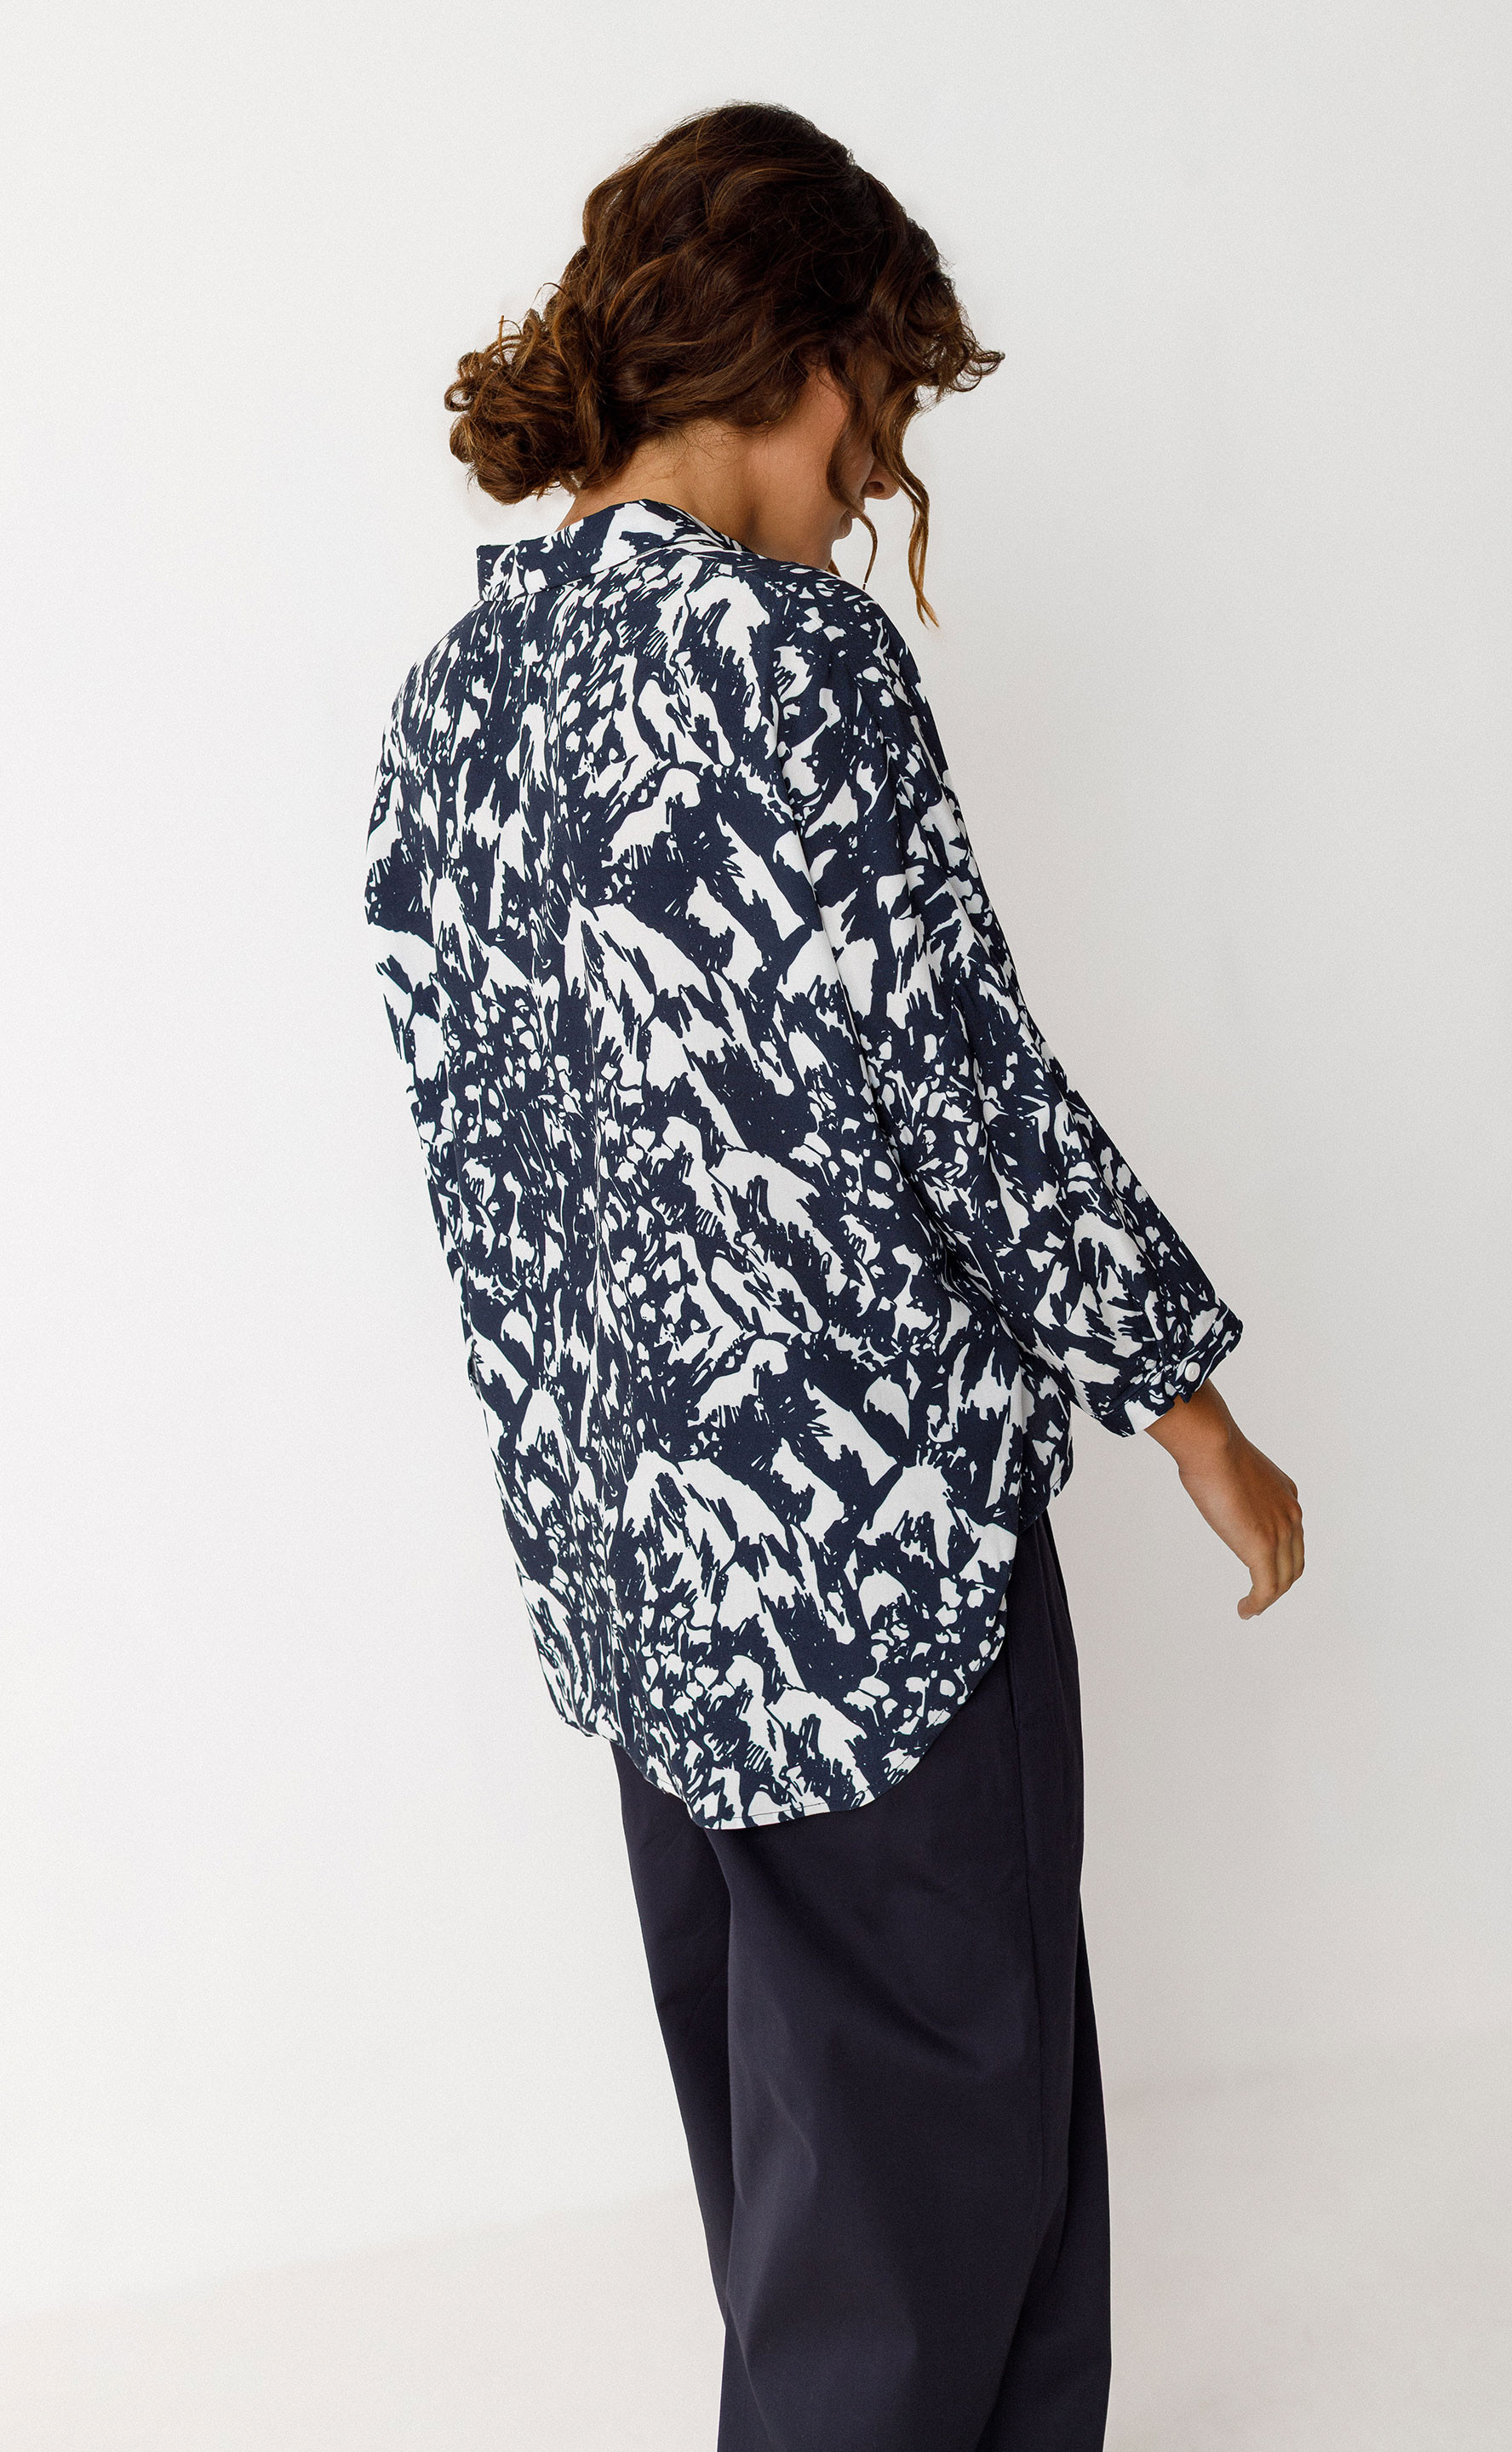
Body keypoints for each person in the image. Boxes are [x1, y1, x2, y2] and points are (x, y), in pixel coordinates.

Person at [366, 100, 1302, 2452]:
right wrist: (1190, 1409)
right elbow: (964, 1090)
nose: (875, 478)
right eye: (874, 409)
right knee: (933, 2235)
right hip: (872, 1572)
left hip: (646, 1598)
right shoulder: (794, 664)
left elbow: (490, 1162)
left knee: (821, 2203)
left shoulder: (451, 709)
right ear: (798, 357)